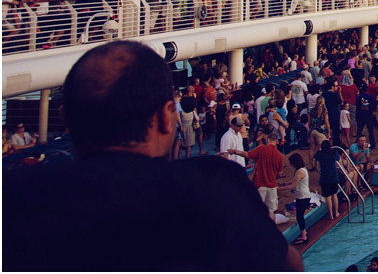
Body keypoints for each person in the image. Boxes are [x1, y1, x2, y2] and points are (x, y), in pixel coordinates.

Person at [3, 41, 299, 270]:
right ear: (166, 117)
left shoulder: (13, 196)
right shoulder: (216, 186)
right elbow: (288, 267)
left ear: (66, 119)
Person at [282, 151, 313, 244]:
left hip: (303, 197)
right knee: (300, 215)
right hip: (303, 196)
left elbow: (293, 186)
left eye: (291, 163)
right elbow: (293, 181)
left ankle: (304, 235)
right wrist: (284, 183)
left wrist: (279, 188)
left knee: (299, 216)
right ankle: (304, 233)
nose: (291, 165)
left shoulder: (300, 171)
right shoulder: (301, 169)